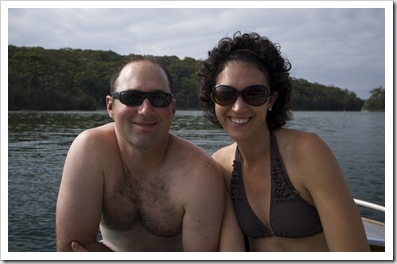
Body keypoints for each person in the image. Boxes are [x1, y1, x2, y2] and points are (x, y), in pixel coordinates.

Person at [197, 31, 370, 252]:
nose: (238, 107)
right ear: (213, 99)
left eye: (255, 94)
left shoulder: (306, 151)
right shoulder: (220, 164)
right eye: (226, 94)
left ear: (271, 100)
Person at [56, 57, 225, 252]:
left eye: (159, 99)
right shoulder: (90, 149)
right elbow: (70, 249)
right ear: (110, 106)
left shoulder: (199, 173)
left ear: (173, 108)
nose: (145, 110)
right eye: (132, 97)